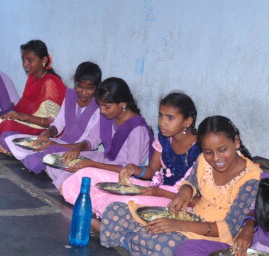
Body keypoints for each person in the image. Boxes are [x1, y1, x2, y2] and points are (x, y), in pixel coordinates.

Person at [100, 116, 262, 256]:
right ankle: (137, 243)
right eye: (208, 152)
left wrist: (179, 225)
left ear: (236, 142)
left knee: (164, 245)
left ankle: (131, 240)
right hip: (191, 216)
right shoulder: (203, 160)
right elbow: (192, 181)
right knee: (117, 210)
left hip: (216, 236)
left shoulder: (251, 177)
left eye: (223, 150)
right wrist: (186, 191)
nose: (216, 158)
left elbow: (230, 228)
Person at [60, 90, 199, 216]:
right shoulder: (164, 139)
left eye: (170, 118)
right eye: (160, 116)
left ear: (187, 121)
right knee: (88, 174)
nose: (162, 123)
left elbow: (199, 199)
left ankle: (99, 208)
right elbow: (151, 171)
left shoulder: (201, 149)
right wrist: (134, 168)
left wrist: (160, 193)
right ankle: (97, 206)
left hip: (177, 200)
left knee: (126, 201)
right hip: (155, 188)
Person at [48, 77, 153, 193]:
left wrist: (93, 165)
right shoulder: (108, 116)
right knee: (59, 161)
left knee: (84, 173)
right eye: (100, 106)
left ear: (123, 105)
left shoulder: (137, 129)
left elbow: (132, 168)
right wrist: (77, 149)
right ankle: (71, 188)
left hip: (120, 173)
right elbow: (92, 140)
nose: (102, 111)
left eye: (107, 107)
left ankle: (72, 188)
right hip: (103, 160)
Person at [0, 61, 102, 172]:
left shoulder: (100, 107)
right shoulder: (70, 96)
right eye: (80, 87)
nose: (84, 92)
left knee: (34, 162)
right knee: (7, 137)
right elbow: (58, 124)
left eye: (90, 89)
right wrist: (47, 133)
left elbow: (90, 143)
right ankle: (39, 161)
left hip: (77, 150)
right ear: (75, 83)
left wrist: (55, 145)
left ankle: (26, 157)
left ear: (97, 88)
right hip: (58, 143)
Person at [0, 40, 65, 144]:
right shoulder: (32, 78)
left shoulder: (50, 82)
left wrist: (24, 117)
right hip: (26, 122)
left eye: (30, 60)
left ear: (44, 60)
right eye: (23, 60)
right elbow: (23, 107)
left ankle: (6, 141)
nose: (25, 64)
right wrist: (14, 115)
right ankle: (6, 141)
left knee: (6, 126)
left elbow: (52, 122)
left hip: (43, 131)